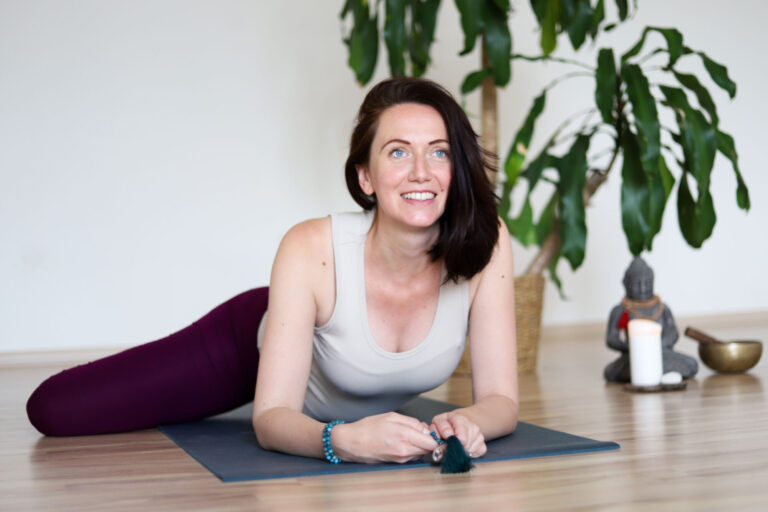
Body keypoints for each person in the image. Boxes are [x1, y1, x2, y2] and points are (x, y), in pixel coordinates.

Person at [26, 77, 519, 464]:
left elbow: (501, 399)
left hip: (329, 385)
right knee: (56, 409)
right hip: (248, 347)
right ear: (365, 177)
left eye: (439, 151)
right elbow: (272, 419)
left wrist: (469, 423)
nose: (421, 171)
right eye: (398, 152)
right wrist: (344, 442)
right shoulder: (310, 248)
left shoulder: (486, 244)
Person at [604, 257, 698, 382]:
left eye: (647, 283)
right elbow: (612, 339)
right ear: (625, 284)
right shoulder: (621, 310)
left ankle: (648, 371)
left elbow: (673, 333)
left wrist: (655, 347)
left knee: (691, 365)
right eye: (636, 284)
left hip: (662, 353)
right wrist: (635, 347)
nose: (642, 288)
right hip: (633, 356)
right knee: (611, 372)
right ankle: (654, 371)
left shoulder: (662, 308)